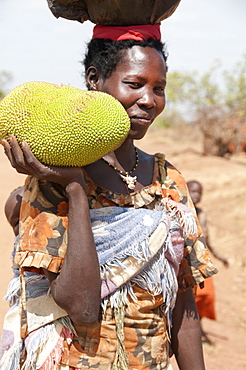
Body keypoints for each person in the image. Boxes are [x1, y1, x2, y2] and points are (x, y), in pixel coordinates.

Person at [0, 24, 218, 370]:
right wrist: (75, 190)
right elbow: (81, 305)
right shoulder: (54, 180)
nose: (149, 100)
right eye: (134, 84)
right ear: (94, 79)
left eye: (158, 88)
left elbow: (183, 302)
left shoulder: (167, 180)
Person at [187, 180, 229, 343]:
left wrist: (220, 256)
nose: (196, 195)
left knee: (206, 296)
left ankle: (198, 326)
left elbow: (208, 239)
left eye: (199, 192)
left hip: (201, 260)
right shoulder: (180, 210)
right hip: (185, 260)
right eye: (193, 191)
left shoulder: (202, 213)